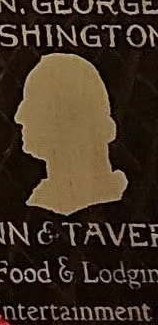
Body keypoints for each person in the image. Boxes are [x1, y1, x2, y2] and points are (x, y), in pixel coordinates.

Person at [16, 52, 128, 215]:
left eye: (34, 102)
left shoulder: (105, 199)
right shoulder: (42, 201)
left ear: (73, 115)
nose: (19, 116)